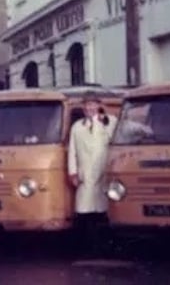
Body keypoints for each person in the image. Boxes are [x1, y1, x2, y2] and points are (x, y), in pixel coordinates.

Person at [67, 92, 118, 257]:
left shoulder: (109, 122)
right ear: (83, 107)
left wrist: (106, 122)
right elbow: (72, 151)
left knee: (103, 212)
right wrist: (73, 172)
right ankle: (87, 250)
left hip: (103, 173)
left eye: (93, 104)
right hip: (85, 175)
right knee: (85, 212)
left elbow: (117, 140)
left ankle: (104, 249)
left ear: (98, 105)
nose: (90, 108)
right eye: (87, 105)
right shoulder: (77, 127)